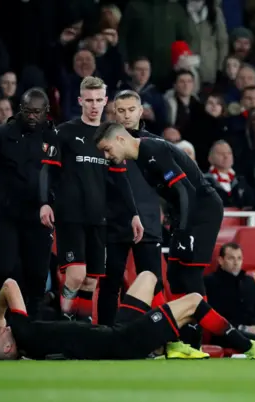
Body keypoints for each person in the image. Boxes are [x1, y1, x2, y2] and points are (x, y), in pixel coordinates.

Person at [95, 122, 225, 357]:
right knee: (174, 276)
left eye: (107, 149)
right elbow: (172, 192)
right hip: (187, 213)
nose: (107, 155)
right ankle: (181, 342)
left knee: (190, 274)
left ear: (120, 140)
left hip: (203, 210)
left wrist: (184, 231)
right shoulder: (141, 157)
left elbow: (186, 190)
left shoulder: (152, 152)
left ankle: (196, 343)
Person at [0, 272, 255, 360]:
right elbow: (10, 284)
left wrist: (2, 322)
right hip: (123, 342)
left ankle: (171, 341)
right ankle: (251, 347)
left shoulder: (27, 342)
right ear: (9, 347)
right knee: (193, 301)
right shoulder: (22, 333)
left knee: (147, 277)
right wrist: (0, 317)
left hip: (114, 333)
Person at [43, 77, 143, 321]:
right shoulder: (65, 132)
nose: (94, 105)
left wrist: (133, 213)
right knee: (76, 275)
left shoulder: (110, 134)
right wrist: (45, 202)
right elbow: (47, 170)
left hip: (99, 218)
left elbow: (120, 179)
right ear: (80, 101)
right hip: (71, 215)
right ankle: (63, 323)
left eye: (99, 100)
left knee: (90, 281)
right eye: (89, 100)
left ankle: (83, 328)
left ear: (106, 101)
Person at [0, 88, 58, 321]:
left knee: (37, 275)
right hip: (6, 214)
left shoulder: (54, 136)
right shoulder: (1, 134)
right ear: (20, 110)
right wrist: (0, 197)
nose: (32, 116)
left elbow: (59, 174)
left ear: (46, 111)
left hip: (39, 216)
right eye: (27, 111)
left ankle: (30, 331)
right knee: (4, 271)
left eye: (37, 112)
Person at [98, 90, 165, 330]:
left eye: (130, 110)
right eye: (121, 111)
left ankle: (155, 338)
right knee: (109, 283)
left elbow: (167, 183)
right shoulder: (103, 145)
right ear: (114, 113)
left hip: (148, 222)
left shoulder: (155, 144)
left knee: (153, 284)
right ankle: (106, 336)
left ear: (140, 111)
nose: (126, 116)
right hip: (114, 223)